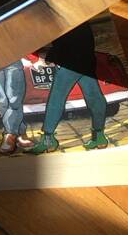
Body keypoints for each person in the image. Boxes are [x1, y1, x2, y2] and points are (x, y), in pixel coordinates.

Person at [28, 22, 109, 153]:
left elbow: (64, 43)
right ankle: (99, 136)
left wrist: (49, 56)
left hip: (70, 63)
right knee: (94, 96)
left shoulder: (59, 21)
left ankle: (48, 140)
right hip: (86, 59)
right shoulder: (77, 17)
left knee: (56, 99)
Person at [0, 60, 33, 154]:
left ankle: (10, 134)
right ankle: (20, 132)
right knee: (3, 101)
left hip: (12, 59)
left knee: (14, 99)